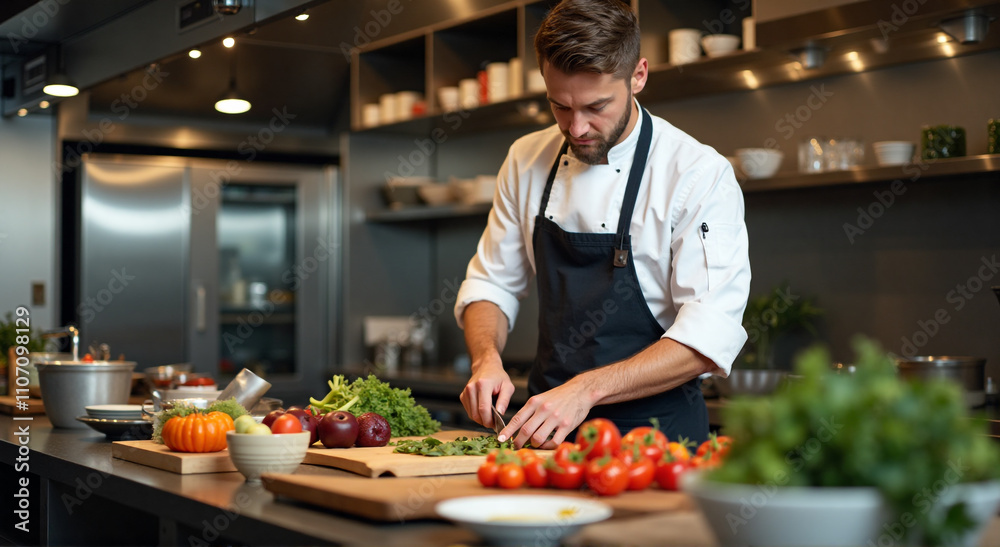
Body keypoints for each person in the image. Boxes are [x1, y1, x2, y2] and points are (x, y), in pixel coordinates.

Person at [454, 0, 751, 449]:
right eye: (559, 107)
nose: (576, 128)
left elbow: (707, 336)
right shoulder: (525, 158)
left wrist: (585, 390)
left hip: (658, 441)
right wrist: (485, 361)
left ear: (639, 76)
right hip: (549, 435)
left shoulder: (696, 173)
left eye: (596, 106)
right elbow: (490, 285)